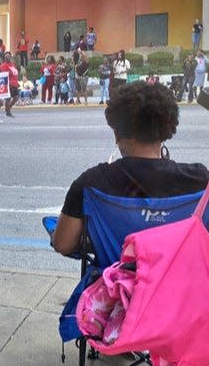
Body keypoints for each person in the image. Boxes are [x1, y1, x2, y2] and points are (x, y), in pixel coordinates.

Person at [52, 81, 209, 256]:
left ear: (117, 134)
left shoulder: (91, 183)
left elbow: (63, 244)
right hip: (181, 282)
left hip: (115, 280)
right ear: (167, 130)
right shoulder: (200, 180)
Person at [0, 51, 20, 118]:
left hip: (15, 84)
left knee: (16, 98)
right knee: (8, 99)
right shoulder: (3, 65)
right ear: (4, 58)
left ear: (10, 57)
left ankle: (7, 109)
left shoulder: (12, 64)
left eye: (8, 57)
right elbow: (4, 74)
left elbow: (15, 73)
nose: (7, 58)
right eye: (6, 57)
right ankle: (8, 112)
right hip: (9, 84)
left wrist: (17, 82)